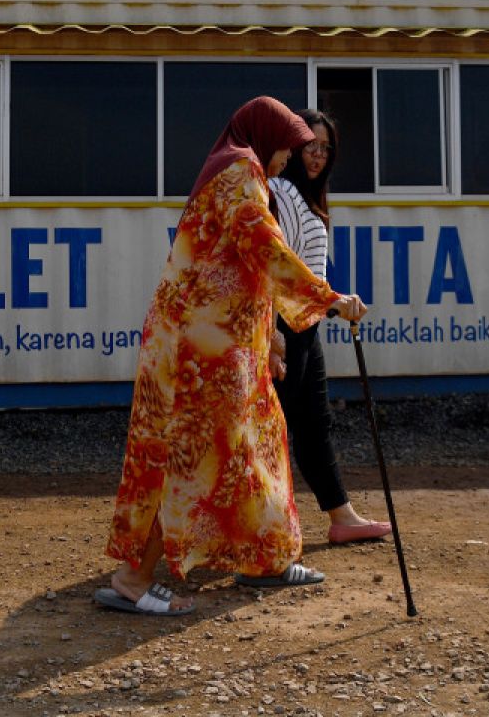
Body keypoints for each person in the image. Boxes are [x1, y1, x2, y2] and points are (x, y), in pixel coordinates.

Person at [98, 97, 368, 616]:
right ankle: (132, 578)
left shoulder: (234, 170)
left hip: (214, 345)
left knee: (256, 443)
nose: (288, 161)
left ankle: (263, 558)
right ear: (264, 137)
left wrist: (268, 340)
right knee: (190, 457)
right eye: (286, 151)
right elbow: (264, 248)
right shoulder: (241, 171)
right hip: (198, 352)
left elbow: (243, 270)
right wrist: (329, 300)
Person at [268, 110, 392, 545]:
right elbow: (275, 269)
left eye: (325, 148)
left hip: (307, 324)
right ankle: (264, 530)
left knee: (315, 424)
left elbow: (309, 275)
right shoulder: (278, 193)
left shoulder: (312, 200)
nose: (317, 156)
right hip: (280, 326)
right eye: (310, 146)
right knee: (273, 429)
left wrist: (334, 303)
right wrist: (271, 331)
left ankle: (342, 516)